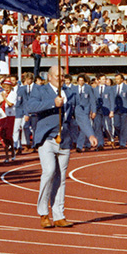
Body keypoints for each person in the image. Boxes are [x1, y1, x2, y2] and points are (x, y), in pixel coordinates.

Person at [27, 65, 97, 229]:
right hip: (46, 138)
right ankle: (44, 213)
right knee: (49, 171)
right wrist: (53, 103)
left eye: (63, 76)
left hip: (64, 139)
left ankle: (59, 215)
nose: (61, 78)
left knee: (61, 178)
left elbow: (79, 114)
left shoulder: (71, 93)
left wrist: (90, 134)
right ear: (49, 77)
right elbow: (31, 107)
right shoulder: (40, 90)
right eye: (57, 76)